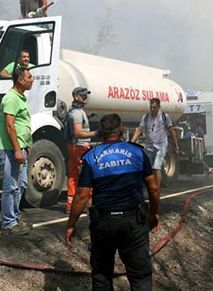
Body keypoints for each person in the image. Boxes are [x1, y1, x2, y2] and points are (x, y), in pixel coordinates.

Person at [66, 113, 160, 291]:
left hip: (103, 224)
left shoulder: (91, 157)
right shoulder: (137, 152)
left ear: (100, 132)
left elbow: (81, 196)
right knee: (140, 276)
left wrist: (71, 224)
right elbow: (153, 189)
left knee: (102, 276)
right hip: (133, 223)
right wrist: (154, 213)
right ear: (122, 130)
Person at [0, 66, 34, 234]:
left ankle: (16, 216)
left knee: (21, 185)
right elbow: (10, 125)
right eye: (29, 77)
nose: (32, 79)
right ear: (21, 80)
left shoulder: (20, 98)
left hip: (21, 148)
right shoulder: (11, 98)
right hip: (11, 149)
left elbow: (22, 125)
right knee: (11, 187)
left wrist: (27, 145)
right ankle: (8, 224)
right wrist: (17, 150)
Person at [130, 98, 180, 187]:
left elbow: (171, 131)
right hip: (150, 146)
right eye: (151, 107)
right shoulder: (145, 117)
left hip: (161, 146)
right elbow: (139, 130)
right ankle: (151, 187)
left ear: (159, 107)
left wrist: (176, 146)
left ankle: (156, 189)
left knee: (157, 167)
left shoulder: (164, 117)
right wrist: (131, 143)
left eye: (154, 107)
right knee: (149, 168)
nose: (152, 109)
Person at [66, 86, 98, 213]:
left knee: (73, 176)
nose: (86, 97)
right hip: (80, 147)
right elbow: (78, 132)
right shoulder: (78, 113)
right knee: (87, 175)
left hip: (72, 146)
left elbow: (77, 123)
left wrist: (88, 117)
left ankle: (70, 204)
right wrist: (95, 133)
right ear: (76, 97)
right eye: (83, 95)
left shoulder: (72, 110)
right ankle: (87, 203)